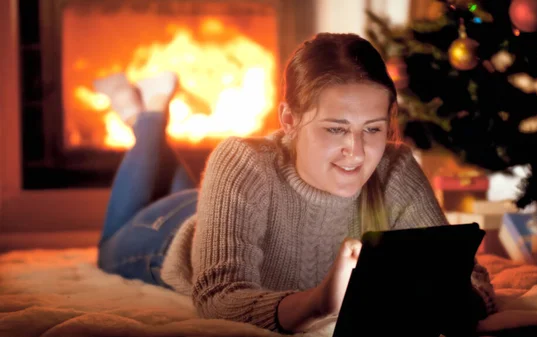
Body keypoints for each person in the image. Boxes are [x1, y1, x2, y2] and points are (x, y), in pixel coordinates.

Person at [96, 32, 497, 334]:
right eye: (335, 129)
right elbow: (218, 297)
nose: (356, 152)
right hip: (162, 236)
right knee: (108, 242)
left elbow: (473, 279)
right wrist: (316, 302)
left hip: (224, 204)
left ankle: (143, 114)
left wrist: (447, 298)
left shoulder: (395, 168)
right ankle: (146, 116)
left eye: (373, 129)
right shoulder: (242, 160)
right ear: (288, 121)